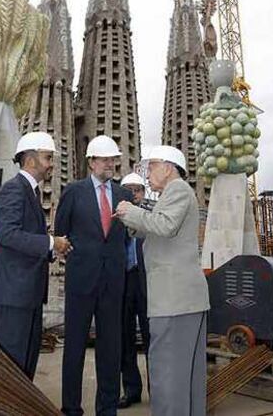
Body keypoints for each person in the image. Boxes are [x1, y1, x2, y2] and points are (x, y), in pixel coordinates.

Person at [115, 145, 210, 416]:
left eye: (152, 166)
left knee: (168, 377)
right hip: (181, 302)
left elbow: (165, 225)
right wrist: (131, 217)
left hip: (174, 302)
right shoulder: (172, 195)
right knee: (184, 379)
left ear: (168, 167)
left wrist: (128, 212)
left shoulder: (178, 190)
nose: (148, 173)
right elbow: (156, 227)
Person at [54, 135, 132, 416]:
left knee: (111, 347)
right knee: (74, 345)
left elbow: (123, 239)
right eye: (105, 159)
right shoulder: (73, 191)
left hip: (113, 282)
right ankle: (71, 407)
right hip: (81, 281)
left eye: (113, 159)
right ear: (91, 162)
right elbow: (61, 234)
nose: (110, 164)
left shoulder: (124, 195)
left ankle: (107, 408)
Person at [0, 131, 72, 380]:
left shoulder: (30, 192)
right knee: (12, 366)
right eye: (47, 158)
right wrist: (50, 242)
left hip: (28, 293)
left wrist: (52, 250)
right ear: (31, 160)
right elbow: (9, 236)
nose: (51, 165)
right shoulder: (13, 190)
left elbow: (25, 239)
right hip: (14, 294)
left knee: (27, 361)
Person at [118, 173, 149, 409]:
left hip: (147, 284)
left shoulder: (151, 219)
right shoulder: (115, 223)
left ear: (143, 193)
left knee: (153, 339)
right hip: (123, 284)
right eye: (128, 190)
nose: (133, 194)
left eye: (137, 190)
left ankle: (158, 390)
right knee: (124, 339)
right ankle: (131, 390)